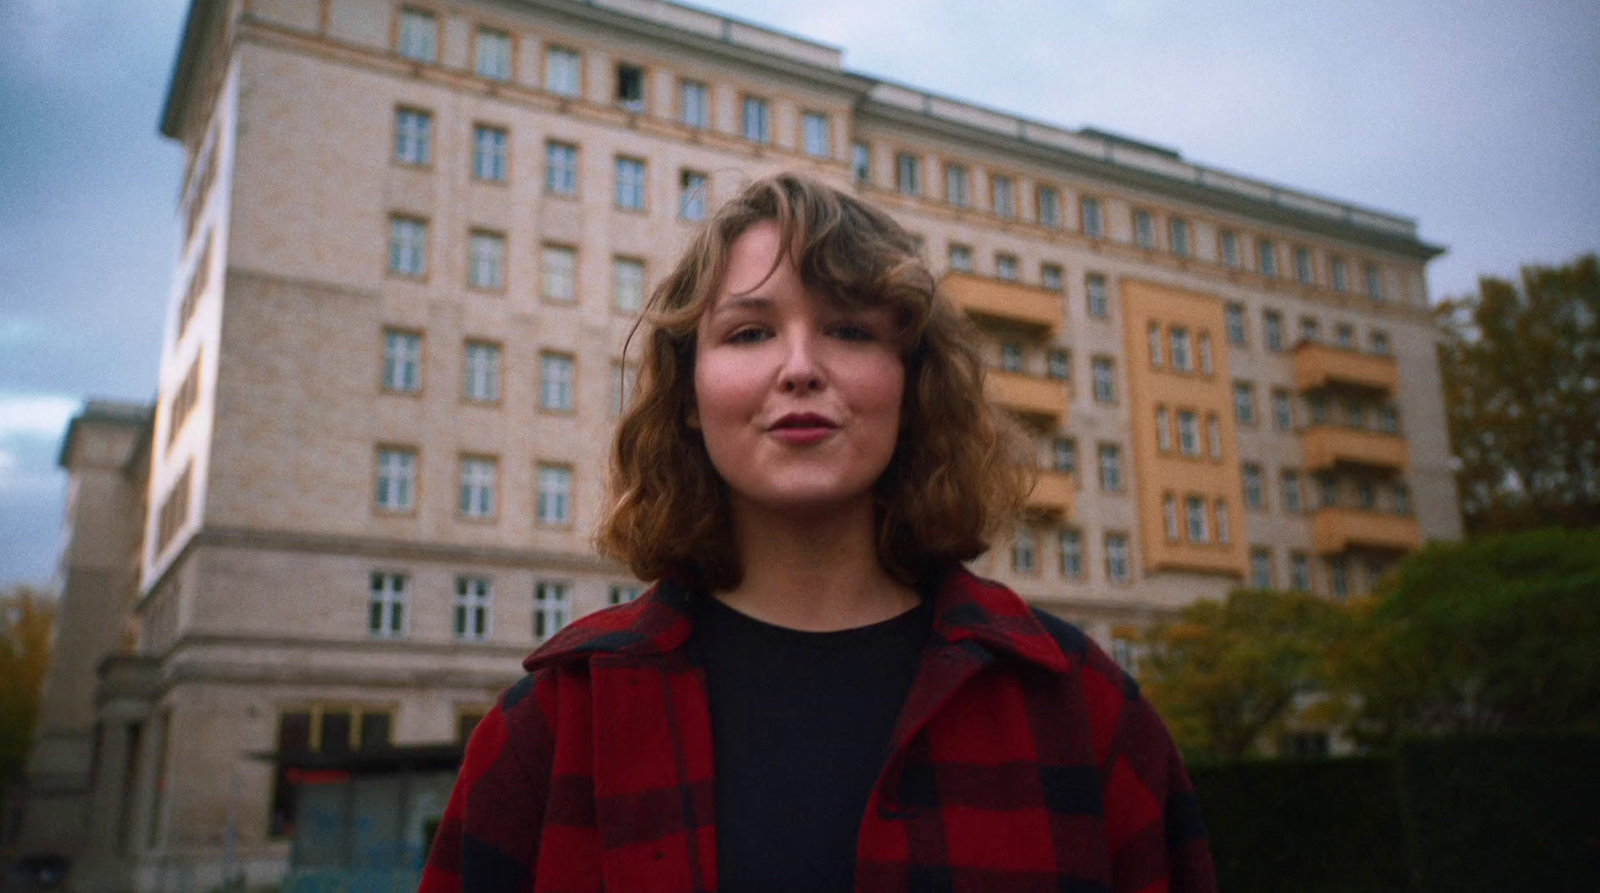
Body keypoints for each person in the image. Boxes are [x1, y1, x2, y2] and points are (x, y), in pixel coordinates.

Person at [419, 174, 1217, 893]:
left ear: (912, 383)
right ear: (691, 395)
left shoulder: (1086, 710)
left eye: (851, 330)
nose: (800, 366)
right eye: (749, 332)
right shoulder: (555, 729)